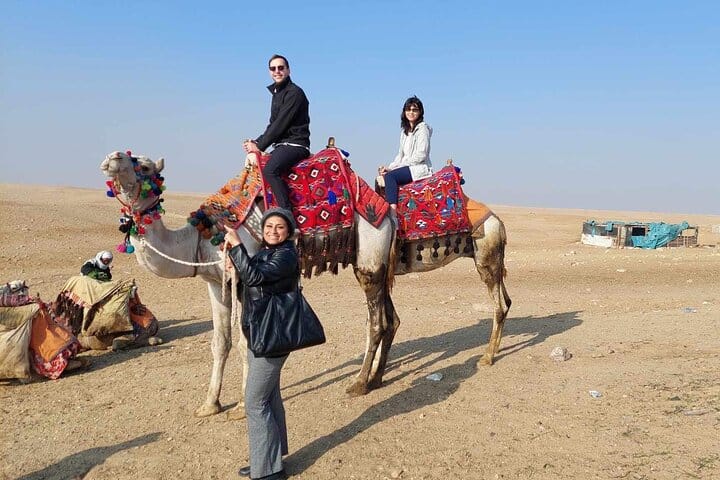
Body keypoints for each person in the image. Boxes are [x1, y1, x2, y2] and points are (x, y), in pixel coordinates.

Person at [224, 207, 300, 480]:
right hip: (259, 334)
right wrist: (235, 264)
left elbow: (255, 277)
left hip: (273, 338)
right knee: (270, 396)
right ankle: (267, 458)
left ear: (288, 231)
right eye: (269, 227)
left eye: (279, 227)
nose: (273, 231)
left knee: (254, 403)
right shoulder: (267, 253)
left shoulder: (286, 255)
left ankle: (269, 470)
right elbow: (251, 277)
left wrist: (236, 246)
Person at [244, 54, 311, 211]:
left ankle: (286, 215)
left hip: (295, 144)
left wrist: (259, 146)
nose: (277, 71)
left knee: (270, 171)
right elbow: (273, 125)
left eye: (281, 68)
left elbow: (280, 124)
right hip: (281, 146)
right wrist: (256, 142)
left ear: (288, 70)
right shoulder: (277, 94)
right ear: (269, 71)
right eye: (273, 68)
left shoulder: (295, 93)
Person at [378, 96, 433, 212]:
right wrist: (390, 167)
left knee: (390, 177)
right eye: (408, 109)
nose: (411, 112)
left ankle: (392, 214)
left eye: (414, 110)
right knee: (381, 178)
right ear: (404, 111)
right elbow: (400, 155)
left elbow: (421, 154)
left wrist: (399, 167)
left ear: (420, 112)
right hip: (406, 166)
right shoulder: (404, 132)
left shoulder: (423, 129)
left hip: (419, 167)